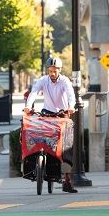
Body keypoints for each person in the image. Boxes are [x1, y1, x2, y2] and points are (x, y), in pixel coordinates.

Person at [24, 56, 78, 193]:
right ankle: (38, 163)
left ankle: (67, 180)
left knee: (66, 146)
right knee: (40, 135)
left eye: (55, 71)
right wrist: (28, 106)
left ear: (59, 70)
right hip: (47, 112)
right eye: (50, 71)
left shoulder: (65, 81)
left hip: (62, 114)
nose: (52, 73)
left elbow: (71, 94)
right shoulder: (43, 80)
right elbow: (34, 92)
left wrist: (71, 106)